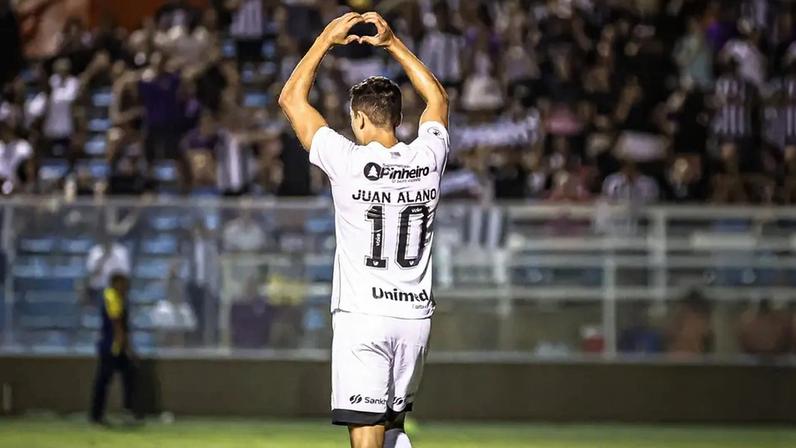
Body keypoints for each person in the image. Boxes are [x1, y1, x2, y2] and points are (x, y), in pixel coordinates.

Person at [279, 12, 449, 448]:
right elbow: (438, 100)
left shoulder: (348, 161)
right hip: (415, 318)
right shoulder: (426, 159)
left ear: (358, 121)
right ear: (398, 118)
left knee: (366, 438)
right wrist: (393, 43)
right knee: (394, 430)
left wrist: (324, 40)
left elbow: (291, 101)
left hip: (364, 318)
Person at [90, 272, 137, 425]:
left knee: (129, 377)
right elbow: (116, 322)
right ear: (116, 283)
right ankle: (97, 415)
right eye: (123, 283)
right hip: (113, 347)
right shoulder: (111, 296)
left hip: (115, 346)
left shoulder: (118, 297)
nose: (126, 287)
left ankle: (127, 411)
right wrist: (127, 346)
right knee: (104, 380)